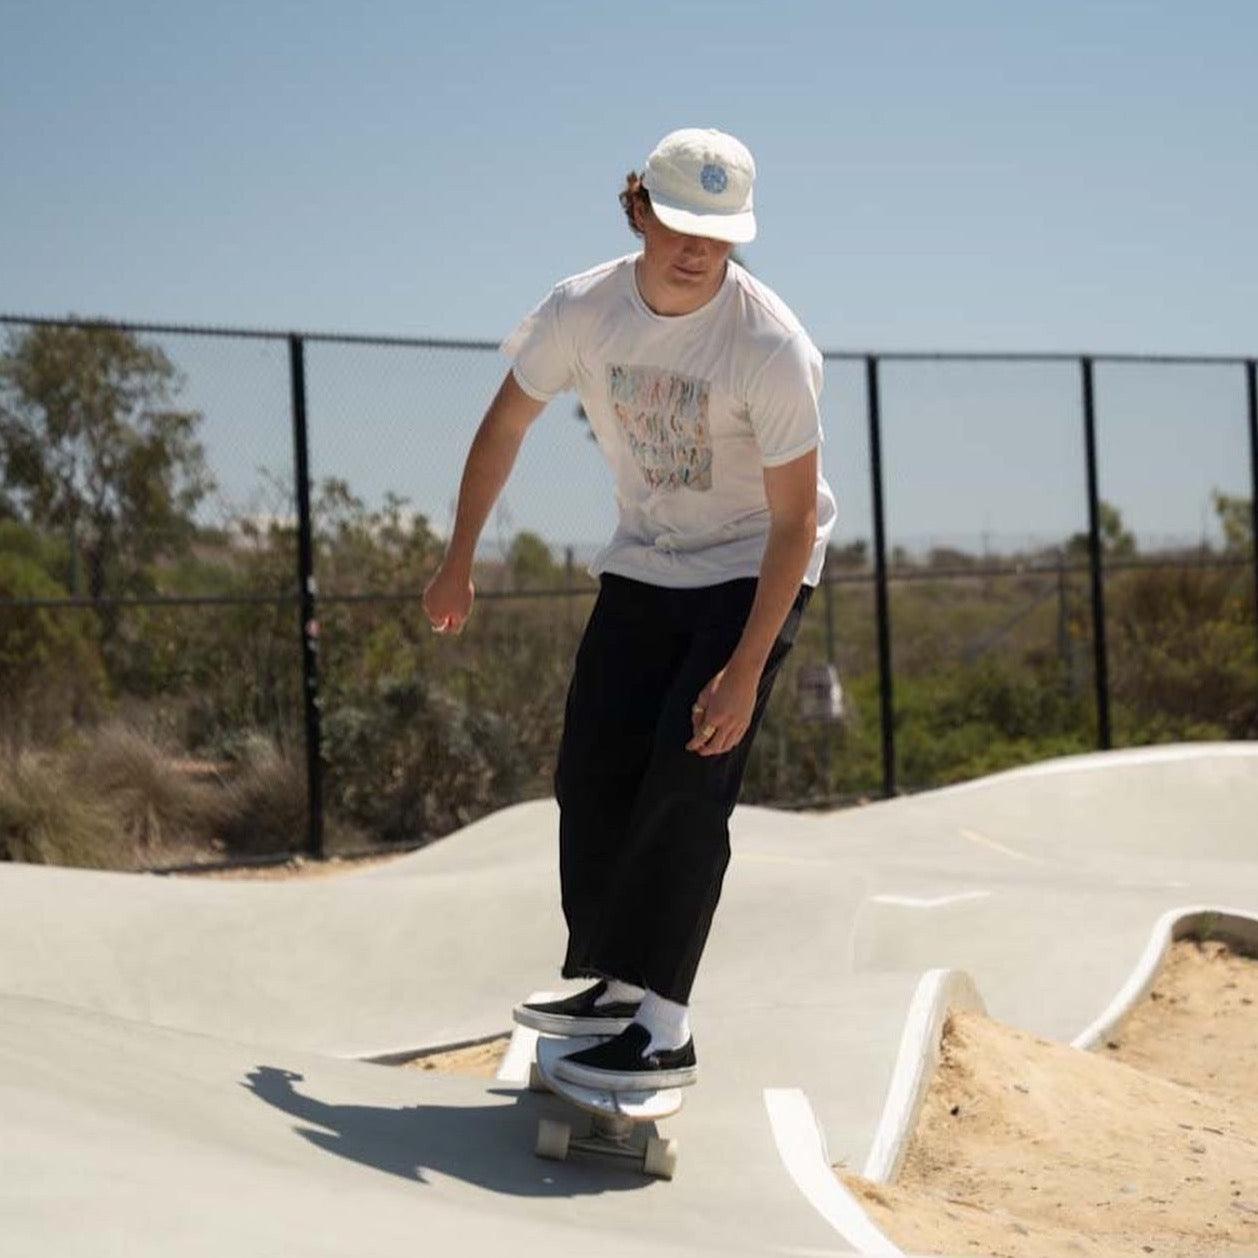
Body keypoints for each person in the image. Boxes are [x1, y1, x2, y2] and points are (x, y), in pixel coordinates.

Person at [422, 127, 837, 1092]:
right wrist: (458, 561)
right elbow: (504, 425)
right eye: (681, 224)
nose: (697, 250)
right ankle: (612, 985)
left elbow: (788, 527)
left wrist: (743, 669)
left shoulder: (772, 346)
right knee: (593, 771)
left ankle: (665, 1024)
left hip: (750, 570)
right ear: (640, 211)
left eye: (720, 233)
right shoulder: (583, 311)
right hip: (648, 562)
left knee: (687, 784)